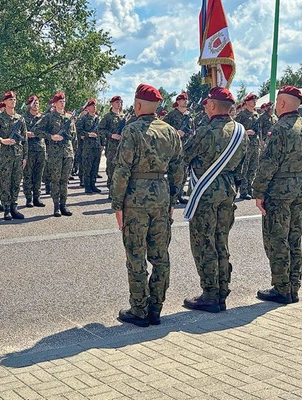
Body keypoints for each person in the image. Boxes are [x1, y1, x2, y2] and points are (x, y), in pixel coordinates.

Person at [111, 84, 183, 327]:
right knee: (160, 255)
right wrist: (172, 199)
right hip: (161, 196)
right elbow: (177, 170)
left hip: (136, 198)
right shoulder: (171, 132)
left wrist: (117, 204)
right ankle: (156, 308)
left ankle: (139, 308)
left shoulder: (131, 131)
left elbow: (122, 170)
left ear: (138, 105)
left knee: (136, 254)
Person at [181, 87, 247, 313]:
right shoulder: (240, 131)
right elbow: (243, 168)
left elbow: (183, 156)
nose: (205, 107)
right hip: (227, 191)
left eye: (207, 103)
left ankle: (210, 294)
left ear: (212, 105)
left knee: (203, 243)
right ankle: (222, 290)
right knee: (221, 241)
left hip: (205, 192)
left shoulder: (205, 132)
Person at [253, 86, 302, 304]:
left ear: (281, 104)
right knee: (295, 237)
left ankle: (282, 288)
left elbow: (267, 165)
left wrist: (258, 192)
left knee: (277, 238)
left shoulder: (279, 129)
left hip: (280, 190)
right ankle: (294, 285)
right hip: (300, 187)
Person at [0, 90, 27, 220]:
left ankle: (14, 207)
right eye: (10, 99)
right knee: (5, 182)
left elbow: (25, 139)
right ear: (5, 102)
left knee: (16, 182)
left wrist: (25, 156)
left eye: (14, 99)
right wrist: (1, 140)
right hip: (5, 156)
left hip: (18, 155)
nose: (13, 101)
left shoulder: (20, 118)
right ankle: (6, 209)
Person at [34, 92, 76, 217]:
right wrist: (51, 136)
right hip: (55, 154)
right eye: (60, 102)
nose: (62, 103)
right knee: (55, 180)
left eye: (64, 101)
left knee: (65, 181)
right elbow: (37, 130)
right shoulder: (49, 117)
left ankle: (64, 205)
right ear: (55, 103)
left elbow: (73, 135)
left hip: (68, 153)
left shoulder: (69, 117)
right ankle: (56, 206)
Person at [21, 95, 46, 208]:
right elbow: (19, 132)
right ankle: (28, 198)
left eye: (37, 103)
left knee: (38, 175)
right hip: (29, 149)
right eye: (34, 103)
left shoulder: (43, 117)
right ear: (29, 104)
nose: (36, 105)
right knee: (28, 175)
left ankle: (37, 197)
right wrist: (26, 134)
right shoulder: (23, 117)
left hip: (40, 148)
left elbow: (47, 132)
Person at [98, 95, 125, 198]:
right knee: (111, 169)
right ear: (112, 103)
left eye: (120, 102)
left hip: (122, 147)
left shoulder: (123, 117)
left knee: (121, 169)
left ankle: (119, 192)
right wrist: (111, 135)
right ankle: (111, 190)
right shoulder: (107, 117)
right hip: (112, 147)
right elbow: (100, 130)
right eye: (117, 102)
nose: (119, 104)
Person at [234, 93, 259, 200]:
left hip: (255, 144)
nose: (254, 102)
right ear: (247, 102)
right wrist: (245, 131)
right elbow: (235, 128)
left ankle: (250, 188)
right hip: (246, 145)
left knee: (253, 168)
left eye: (255, 100)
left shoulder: (256, 115)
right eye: (252, 100)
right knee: (245, 168)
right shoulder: (242, 115)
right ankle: (243, 191)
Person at [76, 99, 102, 194]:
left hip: (97, 146)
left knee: (95, 167)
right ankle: (87, 186)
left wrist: (102, 144)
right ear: (88, 107)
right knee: (87, 167)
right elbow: (78, 131)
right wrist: (87, 134)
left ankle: (93, 184)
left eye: (95, 106)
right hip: (87, 146)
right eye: (92, 106)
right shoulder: (84, 119)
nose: (94, 107)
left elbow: (101, 131)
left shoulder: (98, 119)